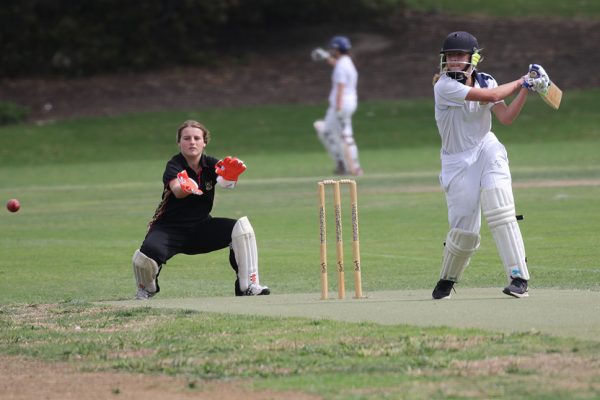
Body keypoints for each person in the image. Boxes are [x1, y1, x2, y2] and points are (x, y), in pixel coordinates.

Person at [431, 31, 550, 299]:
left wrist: (527, 91)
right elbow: (491, 96)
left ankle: (519, 277)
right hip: (457, 161)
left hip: (487, 148)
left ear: (473, 58)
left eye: (459, 56)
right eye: (449, 56)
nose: (453, 61)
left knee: (501, 209)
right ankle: (448, 278)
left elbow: (506, 117)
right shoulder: (444, 86)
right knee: (464, 233)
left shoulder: (487, 79)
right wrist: (523, 80)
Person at [131, 120, 270, 300]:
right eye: (187, 138)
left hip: (201, 228)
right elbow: (177, 191)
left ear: (204, 142)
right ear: (179, 142)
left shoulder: (210, 163)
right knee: (144, 258)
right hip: (169, 229)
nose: (192, 142)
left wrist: (230, 177)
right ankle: (146, 289)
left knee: (242, 230)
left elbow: (225, 183)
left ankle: (248, 286)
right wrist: (186, 187)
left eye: (197, 138)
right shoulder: (174, 165)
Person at [313, 35, 363, 176]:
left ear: (337, 49)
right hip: (349, 103)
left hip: (341, 105)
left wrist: (339, 108)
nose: (331, 50)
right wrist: (326, 58)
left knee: (342, 134)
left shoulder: (342, 66)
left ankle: (351, 167)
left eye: (332, 49)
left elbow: (340, 87)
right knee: (331, 131)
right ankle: (345, 164)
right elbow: (338, 65)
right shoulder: (346, 62)